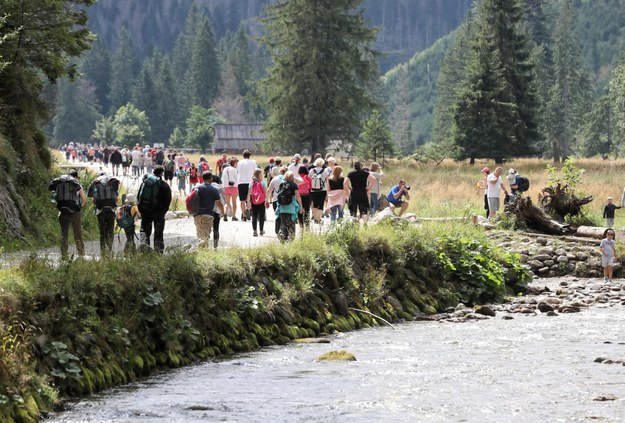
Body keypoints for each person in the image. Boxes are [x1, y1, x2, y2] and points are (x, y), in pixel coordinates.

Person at [48, 170, 87, 260]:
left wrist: (60, 208)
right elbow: (84, 200)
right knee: (77, 234)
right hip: (75, 213)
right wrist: (78, 208)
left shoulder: (59, 185)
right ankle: (81, 254)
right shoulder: (77, 185)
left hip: (62, 212)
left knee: (64, 234)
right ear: (76, 177)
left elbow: (54, 200)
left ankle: (64, 255)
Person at [137, 166, 172, 254]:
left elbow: (139, 197)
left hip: (145, 211)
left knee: (144, 231)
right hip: (158, 213)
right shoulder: (163, 184)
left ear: (153, 172)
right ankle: (158, 252)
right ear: (162, 173)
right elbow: (168, 199)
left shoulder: (145, 183)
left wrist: (142, 210)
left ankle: (144, 251)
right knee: (158, 233)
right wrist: (164, 211)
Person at [87, 172, 120, 257]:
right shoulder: (112, 182)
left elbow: (94, 200)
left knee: (102, 231)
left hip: (100, 211)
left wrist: (97, 203)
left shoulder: (96, 183)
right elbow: (116, 199)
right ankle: (110, 248)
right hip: (111, 210)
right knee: (110, 230)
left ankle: (102, 250)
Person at [192, 172, 225, 249]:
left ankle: (202, 252)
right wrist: (222, 212)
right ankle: (200, 251)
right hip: (208, 215)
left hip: (196, 215)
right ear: (211, 179)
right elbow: (219, 203)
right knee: (206, 236)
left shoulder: (196, 188)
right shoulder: (213, 190)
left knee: (200, 235)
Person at [276, 171, 303, 242]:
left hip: (282, 208)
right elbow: (298, 196)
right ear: (291, 177)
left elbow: (278, 195)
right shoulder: (294, 185)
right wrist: (301, 206)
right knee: (291, 224)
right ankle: (291, 240)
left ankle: (282, 240)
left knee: (283, 224)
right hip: (291, 208)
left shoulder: (281, 184)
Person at [308, 158, 331, 224]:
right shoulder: (325, 171)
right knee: (321, 204)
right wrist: (328, 190)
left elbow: (309, 179)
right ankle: (318, 219)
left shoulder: (312, 170)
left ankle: (315, 217)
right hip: (322, 190)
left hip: (313, 190)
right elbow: (327, 181)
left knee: (315, 204)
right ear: (322, 163)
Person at [267, 165, 288, 235]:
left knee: (278, 215)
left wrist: (267, 200)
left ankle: (277, 228)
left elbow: (269, 190)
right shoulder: (289, 179)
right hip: (286, 200)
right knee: (285, 215)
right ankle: (284, 230)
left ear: (280, 171)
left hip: (276, 200)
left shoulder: (275, 179)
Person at [237, 150, 257, 221]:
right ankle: (249, 210)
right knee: (250, 198)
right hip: (250, 182)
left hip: (241, 182)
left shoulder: (239, 162)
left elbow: (238, 171)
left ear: (243, 155)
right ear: (249, 156)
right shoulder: (253, 162)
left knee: (242, 200)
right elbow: (256, 172)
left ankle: (244, 215)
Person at [247, 169, 267, 236]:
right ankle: (261, 231)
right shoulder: (263, 182)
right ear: (260, 175)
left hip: (253, 201)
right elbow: (265, 193)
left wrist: (248, 202)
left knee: (254, 216)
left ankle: (255, 231)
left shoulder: (251, 183)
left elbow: (249, 194)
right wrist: (267, 201)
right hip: (261, 201)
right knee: (261, 216)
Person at [211, 175, 226, 248]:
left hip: (206, 211)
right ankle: (215, 245)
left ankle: (204, 244)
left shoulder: (204, 186)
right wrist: (222, 211)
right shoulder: (220, 188)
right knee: (215, 228)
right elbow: (223, 201)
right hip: (217, 211)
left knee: (205, 228)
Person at [297, 165, 312, 231]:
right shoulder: (308, 178)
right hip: (306, 196)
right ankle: (307, 225)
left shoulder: (297, 178)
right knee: (307, 210)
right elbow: (311, 187)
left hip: (299, 196)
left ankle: (301, 225)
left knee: (300, 210)